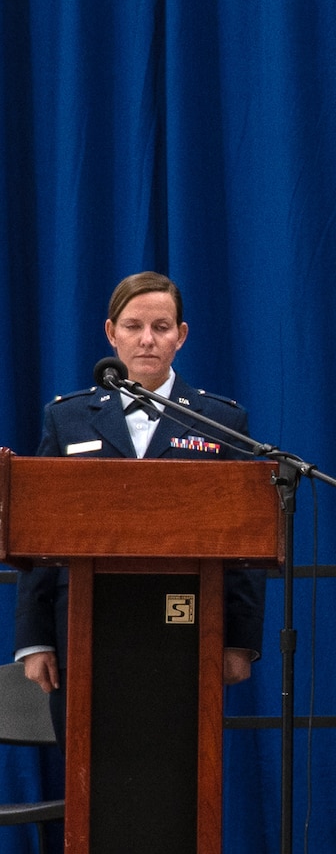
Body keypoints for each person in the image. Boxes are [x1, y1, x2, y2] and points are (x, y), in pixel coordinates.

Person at [14, 271, 265, 743]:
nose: (147, 340)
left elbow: (246, 542)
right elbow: (39, 534)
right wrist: (36, 638)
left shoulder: (220, 421)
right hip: (84, 630)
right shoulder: (66, 418)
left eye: (161, 326)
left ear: (181, 335)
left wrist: (239, 640)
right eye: (133, 326)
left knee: (182, 779)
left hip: (189, 627)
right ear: (111, 333)